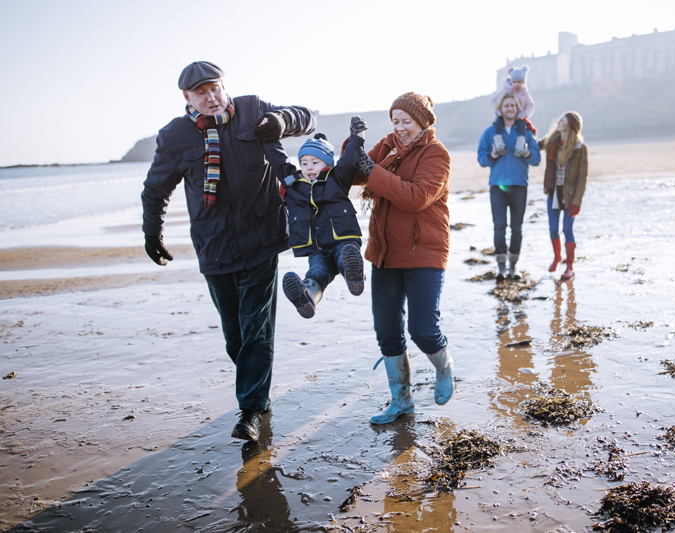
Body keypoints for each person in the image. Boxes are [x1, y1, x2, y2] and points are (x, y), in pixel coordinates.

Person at [141, 61, 315, 442]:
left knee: (256, 328)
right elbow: (155, 190)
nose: (211, 97)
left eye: (215, 88)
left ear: (224, 86)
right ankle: (257, 391)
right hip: (214, 246)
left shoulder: (253, 110)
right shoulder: (174, 137)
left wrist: (281, 122)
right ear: (187, 97)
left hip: (262, 238)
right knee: (235, 338)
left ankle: (250, 410)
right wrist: (152, 233)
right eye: (201, 92)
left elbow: (308, 118)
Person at [354, 92, 454, 425]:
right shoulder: (388, 145)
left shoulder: (436, 154)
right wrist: (352, 146)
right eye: (395, 121)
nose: (400, 128)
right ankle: (401, 400)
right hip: (384, 253)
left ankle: (444, 366)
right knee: (387, 331)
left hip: (423, 251)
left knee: (423, 330)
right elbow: (355, 171)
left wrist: (372, 171)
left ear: (422, 122)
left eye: (406, 122)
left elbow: (415, 198)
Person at [263, 117, 369, 318]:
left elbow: (349, 159)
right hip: (317, 247)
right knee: (317, 273)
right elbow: (277, 160)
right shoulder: (293, 183)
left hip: (342, 240)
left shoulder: (336, 179)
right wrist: (267, 136)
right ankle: (308, 297)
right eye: (304, 163)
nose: (309, 167)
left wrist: (358, 136)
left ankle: (353, 275)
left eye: (315, 162)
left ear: (327, 163)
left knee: (345, 256)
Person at [477, 92, 542, 280]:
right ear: (500, 109)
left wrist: (527, 153)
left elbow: (537, 158)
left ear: (517, 108)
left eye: (513, 106)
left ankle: (514, 267)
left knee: (517, 227)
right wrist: (493, 155)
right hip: (497, 186)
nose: (510, 109)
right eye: (506, 106)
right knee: (499, 227)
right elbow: (481, 158)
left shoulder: (526, 133)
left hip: (520, 184)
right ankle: (501, 268)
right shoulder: (490, 133)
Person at [538, 111, 588, 280]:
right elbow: (535, 144)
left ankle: (569, 267)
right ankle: (557, 257)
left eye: (563, 119)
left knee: (567, 229)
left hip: (570, 196)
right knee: (553, 229)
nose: (559, 121)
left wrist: (577, 202)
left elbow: (582, 177)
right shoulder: (552, 142)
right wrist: (525, 127)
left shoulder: (580, 148)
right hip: (553, 193)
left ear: (571, 124)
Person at [490, 66, 537, 156]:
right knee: (498, 123)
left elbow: (530, 105)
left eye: (519, 82)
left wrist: (524, 114)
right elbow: (495, 101)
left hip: (519, 116)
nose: (517, 84)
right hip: (505, 117)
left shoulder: (524, 93)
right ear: (511, 82)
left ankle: (520, 144)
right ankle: (498, 142)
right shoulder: (506, 90)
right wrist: (499, 112)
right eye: (514, 82)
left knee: (522, 125)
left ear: (523, 83)